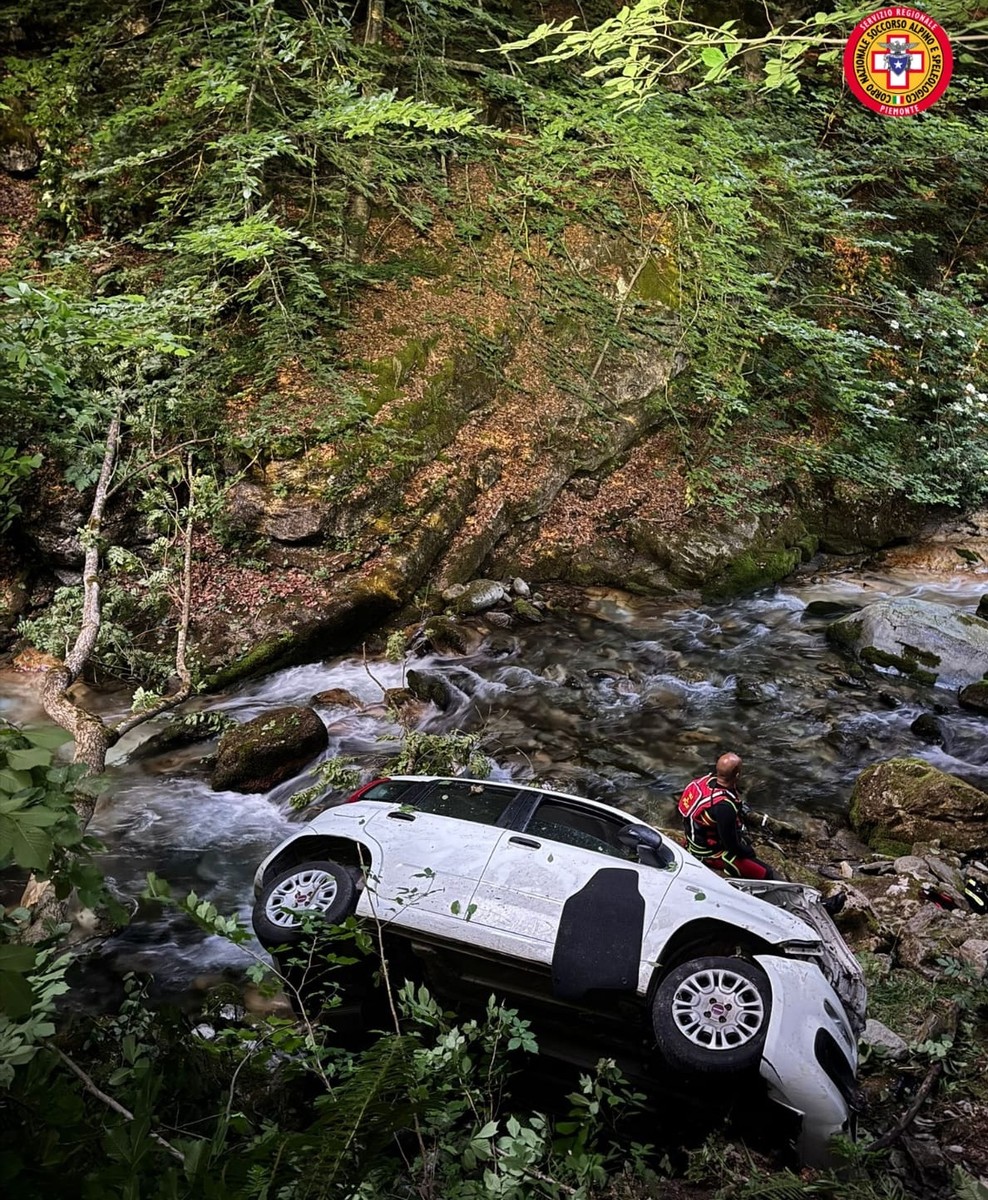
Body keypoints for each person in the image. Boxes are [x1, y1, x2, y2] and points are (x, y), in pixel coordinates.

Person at [677, 752, 778, 881]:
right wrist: (748, 852)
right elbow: (730, 845)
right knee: (766, 873)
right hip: (709, 853)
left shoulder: (700, 783)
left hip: (693, 840)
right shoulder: (724, 807)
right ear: (737, 775)